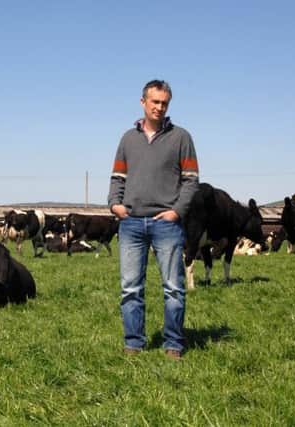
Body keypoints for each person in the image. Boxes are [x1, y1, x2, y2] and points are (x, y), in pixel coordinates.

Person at [108, 79, 199, 360]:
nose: (159, 107)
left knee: (173, 288)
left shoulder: (181, 137)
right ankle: (133, 344)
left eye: (164, 103)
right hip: (132, 222)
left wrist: (176, 212)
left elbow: (191, 181)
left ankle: (173, 344)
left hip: (166, 224)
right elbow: (117, 177)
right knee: (130, 288)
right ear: (143, 102)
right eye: (155, 102)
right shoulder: (128, 138)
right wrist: (115, 204)